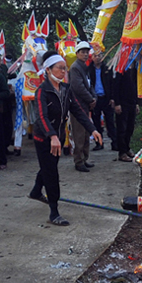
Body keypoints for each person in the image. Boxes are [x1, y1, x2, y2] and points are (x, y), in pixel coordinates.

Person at [28, 51, 102, 226]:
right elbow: (41, 116)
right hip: (44, 138)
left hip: (58, 137)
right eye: (60, 68)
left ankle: (36, 191)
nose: (63, 72)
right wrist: (52, 135)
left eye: (65, 69)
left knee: (49, 166)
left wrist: (93, 129)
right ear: (48, 70)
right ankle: (54, 212)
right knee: (51, 172)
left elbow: (77, 111)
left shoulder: (66, 89)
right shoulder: (42, 91)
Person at [68, 41, 98, 172]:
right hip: (78, 105)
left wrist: (93, 97)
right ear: (77, 53)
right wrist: (91, 98)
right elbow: (78, 87)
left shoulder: (84, 67)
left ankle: (84, 159)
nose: (85, 54)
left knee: (86, 134)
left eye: (87, 52)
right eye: (83, 52)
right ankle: (78, 161)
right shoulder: (75, 67)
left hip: (85, 104)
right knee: (79, 134)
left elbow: (89, 85)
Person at [88, 49, 116, 151]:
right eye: (95, 56)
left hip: (106, 98)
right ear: (92, 57)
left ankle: (114, 142)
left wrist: (113, 98)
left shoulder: (107, 68)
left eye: (99, 55)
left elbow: (112, 84)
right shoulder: (89, 69)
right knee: (96, 122)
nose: (98, 57)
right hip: (95, 99)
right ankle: (99, 143)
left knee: (110, 121)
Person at [113, 62, 138, 162]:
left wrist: (136, 103)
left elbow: (135, 87)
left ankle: (127, 148)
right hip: (122, 103)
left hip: (131, 102)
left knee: (130, 127)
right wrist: (117, 103)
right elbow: (115, 86)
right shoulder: (120, 68)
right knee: (122, 128)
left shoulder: (135, 68)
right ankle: (122, 152)